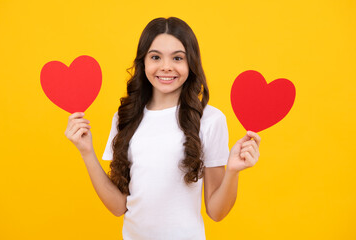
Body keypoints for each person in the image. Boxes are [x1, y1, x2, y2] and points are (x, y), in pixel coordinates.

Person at [65, 17, 261, 240]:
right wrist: (86, 151)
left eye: (178, 58)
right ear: (143, 63)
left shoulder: (210, 119)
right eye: (156, 57)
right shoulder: (125, 117)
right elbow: (118, 206)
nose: (166, 66)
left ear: (191, 63)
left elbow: (216, 212)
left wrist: (233, 172)